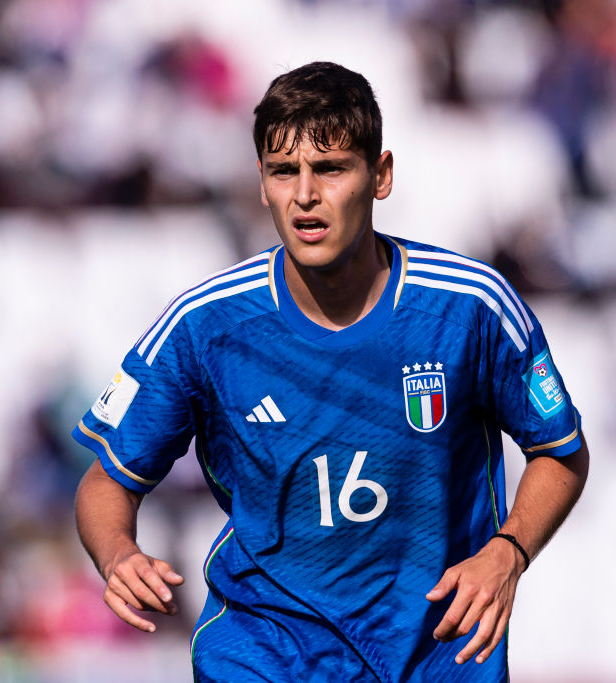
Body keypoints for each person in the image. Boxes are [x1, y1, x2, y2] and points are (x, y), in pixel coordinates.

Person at [73, 61, 589, 682]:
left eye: (331, 169)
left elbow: (560, 451)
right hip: (265, 654)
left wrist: (508, 552)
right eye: (283, 172)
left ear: (381, 175)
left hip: (435, 657)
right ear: (261, 184)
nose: (305, 196)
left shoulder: (468, 308)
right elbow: (106, 483)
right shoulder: (207, 325)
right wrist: (118, 553)